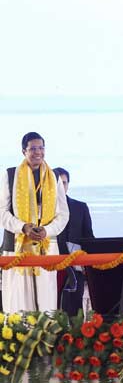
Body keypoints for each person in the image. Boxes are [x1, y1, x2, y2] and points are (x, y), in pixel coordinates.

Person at [0, 132, 69, 312]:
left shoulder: (54, 177)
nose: (37, 152)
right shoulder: (10, 175)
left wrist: (47, 230)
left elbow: (63, 214)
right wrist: (22, 227)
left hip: (46, 246)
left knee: (46, 305)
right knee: (19, 306)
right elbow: (2, 212)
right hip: (16, 246)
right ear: (24, 151)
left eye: (41, 148)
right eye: (32, 149)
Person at [53, 167, 94, 315]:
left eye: (64, 183)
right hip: (50, 265)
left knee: (74, 309)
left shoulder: (80, 207)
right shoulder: (42, 210)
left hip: (75, 266)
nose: (60, 187)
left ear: (68, 185)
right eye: (57, 183)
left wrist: (88, 264)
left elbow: (89, 238)